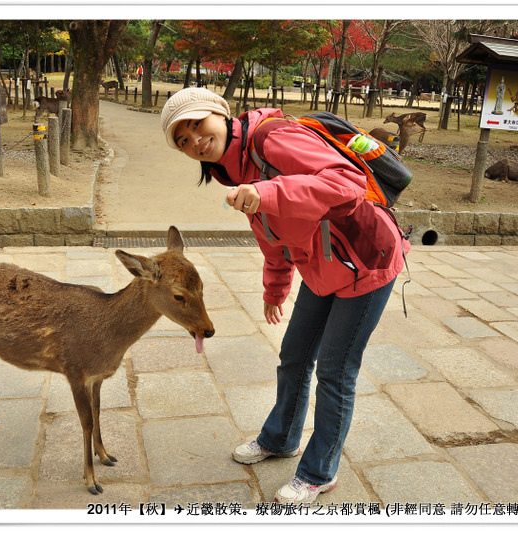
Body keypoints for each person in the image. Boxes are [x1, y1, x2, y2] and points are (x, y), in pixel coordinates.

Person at [160, 87, 410, 504]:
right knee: (294, 355)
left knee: (335, 371)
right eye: (182, 141)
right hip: (322, 267)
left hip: (367, 259)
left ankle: (318, 471)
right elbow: (273, 234)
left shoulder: (272, 138)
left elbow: (348, 182)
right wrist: (275, 288)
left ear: (220, 114)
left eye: (197, 125)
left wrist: (268, 192)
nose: (195, 141)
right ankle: (280, 438)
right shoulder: (236, 169)